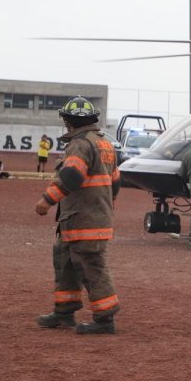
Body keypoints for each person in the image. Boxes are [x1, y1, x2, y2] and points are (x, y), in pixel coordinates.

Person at [34, 96, 121, 334]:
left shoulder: (81, 144)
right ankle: (64, 312)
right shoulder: (104, 144)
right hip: (80, 218)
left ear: (70, 121)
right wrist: (105, 206)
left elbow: (71, 175)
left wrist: (47, 199)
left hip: (85, 220)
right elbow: (115, 182)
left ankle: (104, 320)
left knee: (92, 266)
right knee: (65, 261)